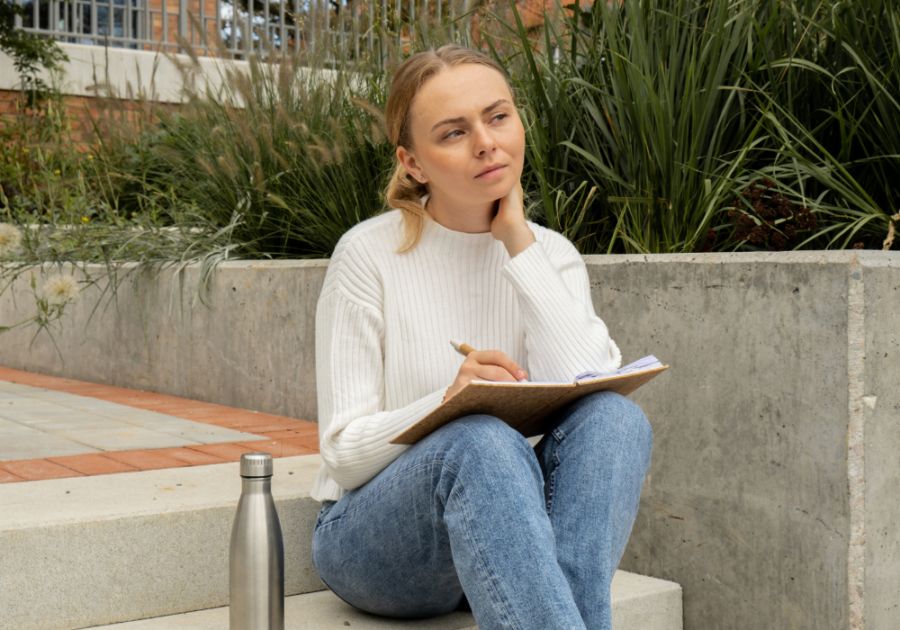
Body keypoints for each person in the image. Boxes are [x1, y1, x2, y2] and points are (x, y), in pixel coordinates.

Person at [310, 44, 653, 630]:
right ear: (412, 162)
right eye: (453, 132)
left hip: (508, 534)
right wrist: (448, 402)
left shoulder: (551, 255)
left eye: (498, 117)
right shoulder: (367, 254)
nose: (486, 142)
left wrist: (519, 242)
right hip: (375, 543)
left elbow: (594, 383)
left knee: (618, 421)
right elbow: (342, 454)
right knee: (480, 439)